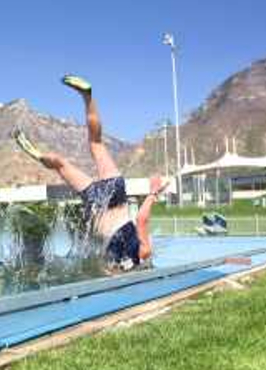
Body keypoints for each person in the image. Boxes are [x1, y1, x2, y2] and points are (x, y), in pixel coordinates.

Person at [15, 74, 170, 274]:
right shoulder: (119, 263)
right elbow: (108, 272)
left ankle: (88, 97)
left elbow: (141, 219)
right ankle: (37, 154)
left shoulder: (145, 252)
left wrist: (153, 193)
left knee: (96, 142)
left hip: (116, 191)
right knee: (61, 165)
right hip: (97, 204)